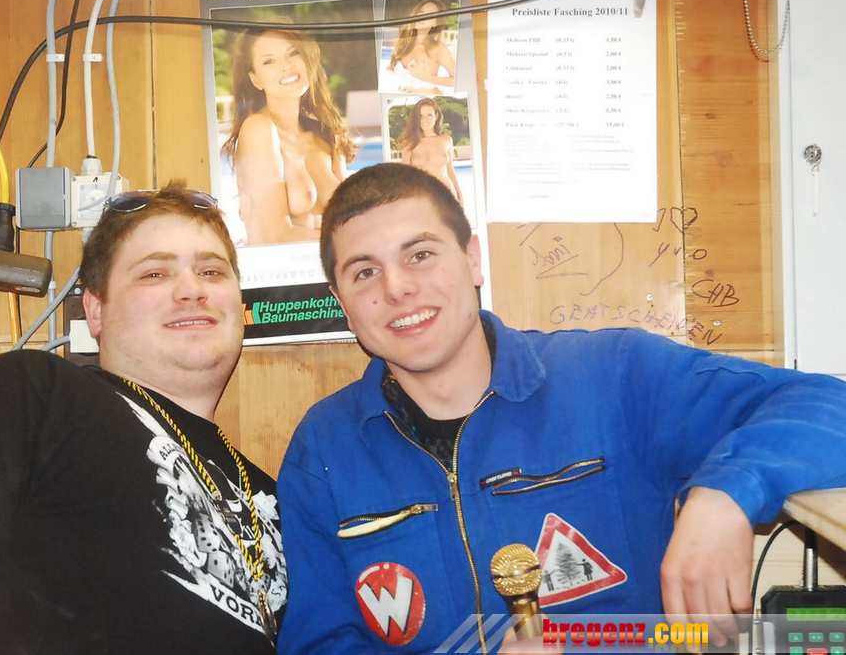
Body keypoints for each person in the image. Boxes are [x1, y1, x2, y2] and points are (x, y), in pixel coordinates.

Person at [275, 163, 846, 654]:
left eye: (420, 254)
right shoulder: (322, 450)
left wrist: (726, 494)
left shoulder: (614, 375)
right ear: (343, 302)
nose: (397, 287)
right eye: (365, 272)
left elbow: (826, 404)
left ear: (473, 260)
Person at [0, 185, 288, 654]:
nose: (192, 290)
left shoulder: (275, 492)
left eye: (211, 271)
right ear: (95, 310)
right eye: (155, 273)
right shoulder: (26, 392)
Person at [222, 27, 355, 245]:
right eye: (269, 61)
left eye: (293, 53)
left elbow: (348, 221)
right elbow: (275, 236)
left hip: (333, 263)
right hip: (284, 266)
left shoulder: (326, 134)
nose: (286, 66)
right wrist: (353, 240)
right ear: (256, 80)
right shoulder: (258, 129)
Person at [398, 97, 464, 203]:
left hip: (448, 195)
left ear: (436, 116)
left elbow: (450, 171)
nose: (425, 120)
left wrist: (461, 197)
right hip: (423, 198)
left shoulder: (446, 140)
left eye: (429, 115)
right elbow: (405, 177)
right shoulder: (410, 143)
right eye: (420, 116)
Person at [384, 0, 456, 95]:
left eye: (429, 14)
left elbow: (456, 80)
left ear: (436, 23)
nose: (422, 16)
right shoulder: (402, 43)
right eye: (420, 11)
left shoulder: (438, 48)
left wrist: (426, 78)